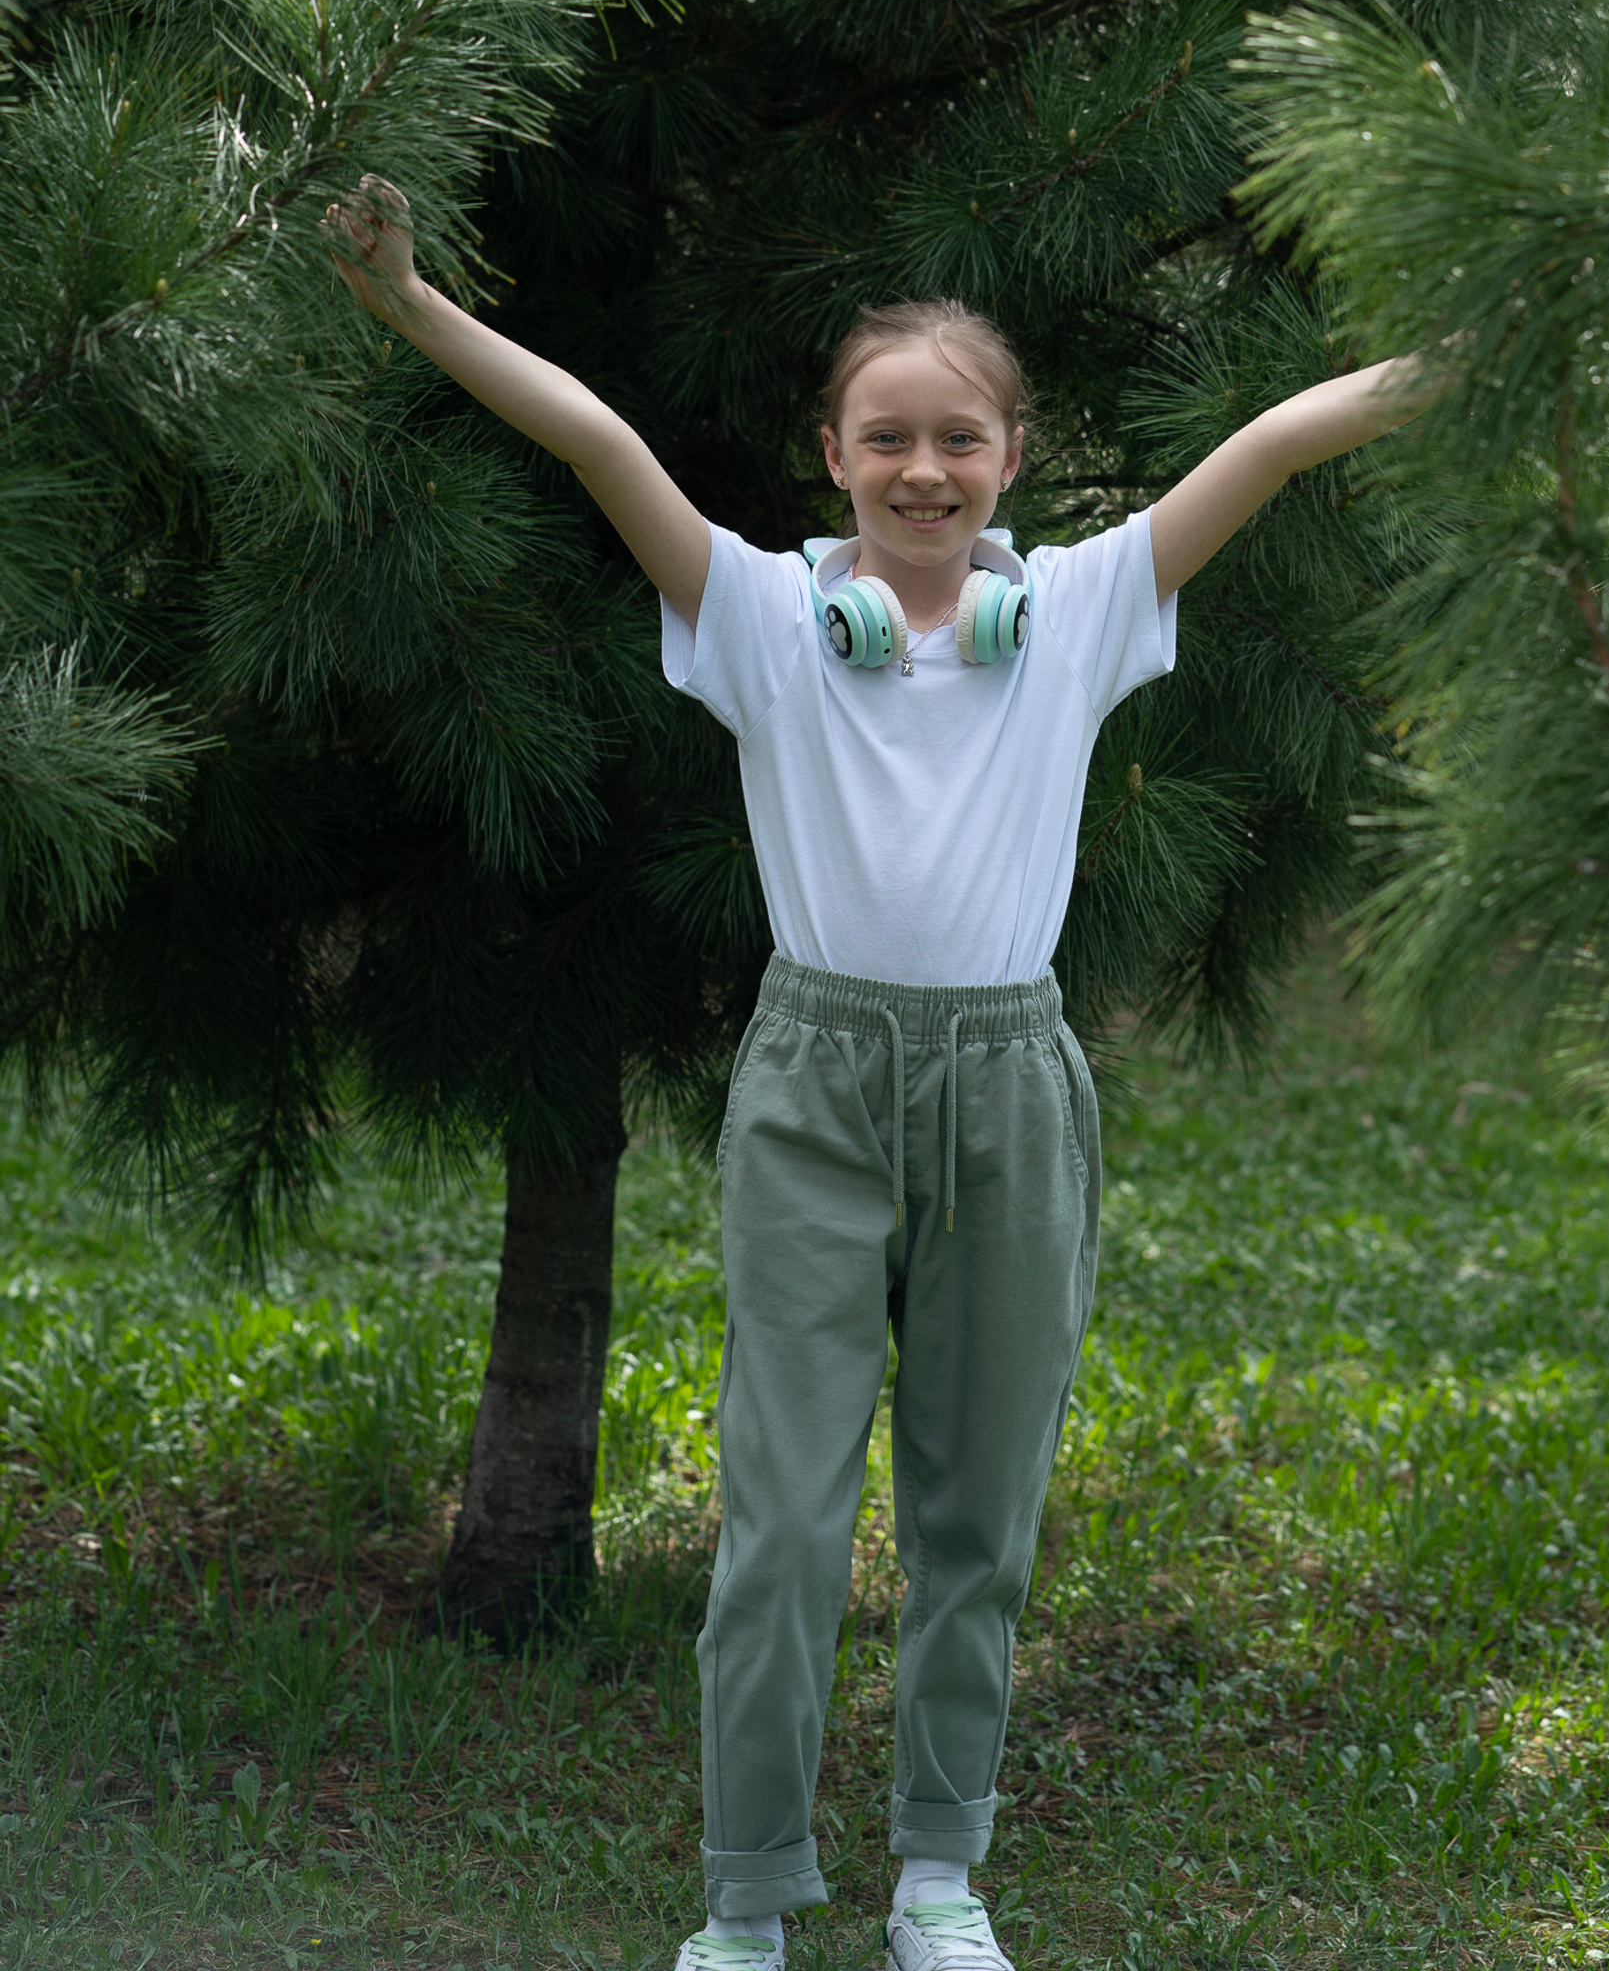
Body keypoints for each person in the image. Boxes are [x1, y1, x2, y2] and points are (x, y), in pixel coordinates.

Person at [321, 174, 1424, 1971]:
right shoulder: (762, 619)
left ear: (1010, 458)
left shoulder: (1073, 613)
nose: (925, 468)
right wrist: (416, 307)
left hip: (1010, 1090)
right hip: (818, 1084)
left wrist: (1482, 339)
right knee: (780, 1528)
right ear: (831, 455)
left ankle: (938, 1881)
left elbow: (1280, 444)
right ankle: (748, 1902)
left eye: (959, 440)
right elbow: (599, 443)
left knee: (977, 1518)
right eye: (887, 436)